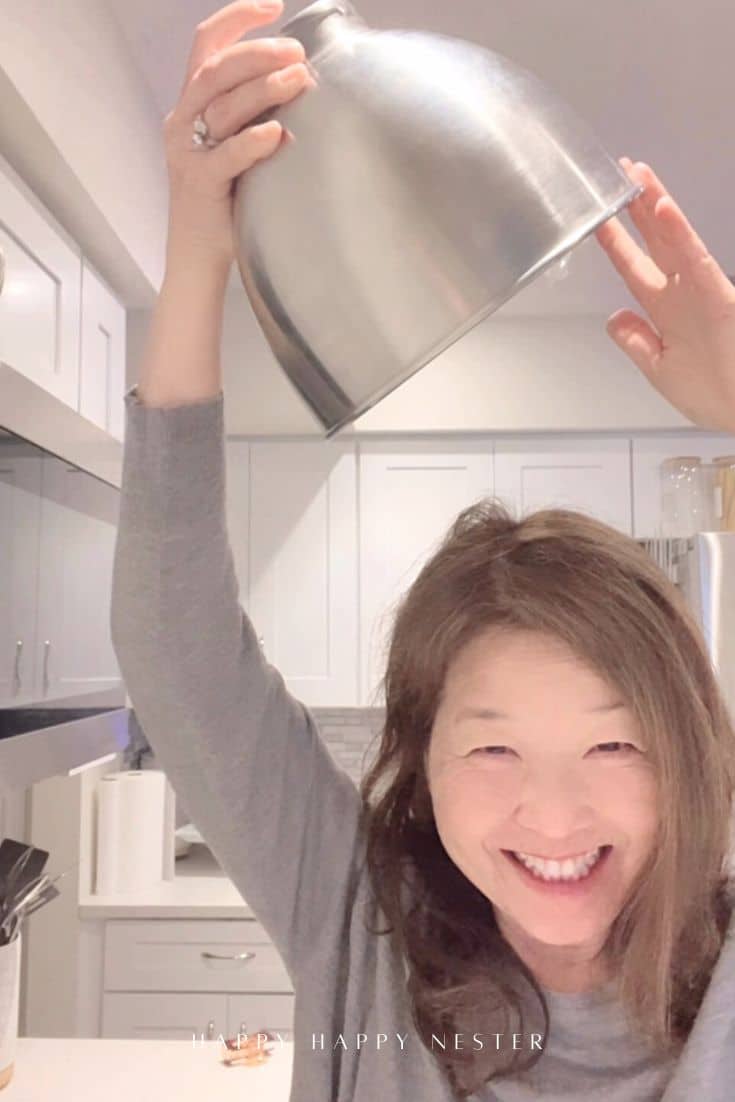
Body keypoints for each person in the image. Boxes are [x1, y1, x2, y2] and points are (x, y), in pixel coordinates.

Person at [109, 2, 735, 1100]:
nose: (553, 815)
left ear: (687, 753)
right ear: (422, 756)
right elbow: (179, 646)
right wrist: (200, 247)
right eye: (493, 750)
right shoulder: (362, 923)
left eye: (615, 749)